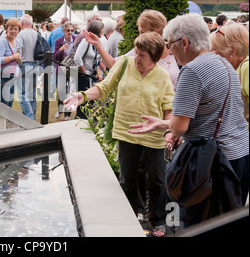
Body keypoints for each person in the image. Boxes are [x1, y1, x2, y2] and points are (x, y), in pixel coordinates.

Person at [129, 13, 249, 225]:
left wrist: (168, 127)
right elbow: (211, 113)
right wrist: (163, 123)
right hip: (239, 154)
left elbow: (179, 127)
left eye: (170, 43)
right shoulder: (222, 62)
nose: (169, 49)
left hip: (213, 162)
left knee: (200, 225)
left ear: (184, 42)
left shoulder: (192, 71)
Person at [64, 32, 174, 237]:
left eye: (142, 55)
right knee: (128, 180)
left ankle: (159, 220)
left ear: (155, 57)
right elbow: (104, 88)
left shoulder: (163, 76)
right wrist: (82, 96)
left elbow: (168, 107)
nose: (137, 58)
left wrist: (166, 127)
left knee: (157, 179)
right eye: (137, 52)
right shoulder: (124, 65)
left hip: (153, 136)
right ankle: (132, 217)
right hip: (126, 132)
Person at [85, 9, 179, 91]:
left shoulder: (174, 51)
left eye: (143, 32)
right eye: (139, 32)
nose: (139, 36)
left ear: (157, 32)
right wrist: (98, 45)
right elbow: (114, 64)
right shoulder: (138, 51)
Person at [211, 23, 249, 122]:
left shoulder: (246, 67)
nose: (212, 54)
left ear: (232, 51)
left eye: (215, 49)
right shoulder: (235, 68)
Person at [73, 20, 103, 119]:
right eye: (101, 29)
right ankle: (77, 124)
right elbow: (77, 57)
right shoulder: (85, 41)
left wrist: (98, 73)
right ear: (97, 30)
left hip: (92, 77)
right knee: (83, 105)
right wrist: (84, 72)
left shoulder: (96, 42)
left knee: (90, 103)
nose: (103, 31)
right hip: (84, 77)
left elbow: (96, 60)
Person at [0, 18, 22, 107]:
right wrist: (12, 57)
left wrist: (19, 60)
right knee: (2, 106)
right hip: (1, 76)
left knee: (9, 105)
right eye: (11, 29)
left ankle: (6, 121)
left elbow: (18, 60)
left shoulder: (18, 42)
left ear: (19, 31)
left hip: (12, 76)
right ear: (6, 29)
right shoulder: (2, 41)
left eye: (15, 29)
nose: (13, 31)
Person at [53, 21, 77, 121]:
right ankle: (59, 109)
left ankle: (68, 114)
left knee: (71, 91)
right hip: (62, 68)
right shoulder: (58, 41)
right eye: (68, 30)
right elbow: (54, 57)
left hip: (73, 68)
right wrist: (61, 49)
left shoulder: (76, 40)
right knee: (62, 91)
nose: (70, 32)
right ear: (64, 31)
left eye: (72, 30)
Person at [17, 14, 38, 120]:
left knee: (23, 94)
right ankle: (32, 115)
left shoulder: (20, 34)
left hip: (24, 64)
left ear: (21, 23)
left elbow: (19, 50)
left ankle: (30, 117)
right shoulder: (36, 34)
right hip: (35, 65)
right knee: (32, 94)